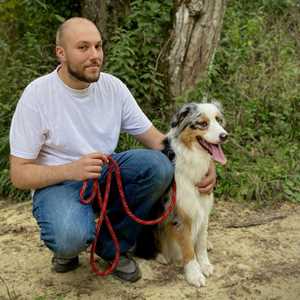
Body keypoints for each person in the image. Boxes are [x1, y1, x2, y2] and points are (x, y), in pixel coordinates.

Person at [9, 17, 216, 282]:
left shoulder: (113, 87)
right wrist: (72, 170)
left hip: (108, 175)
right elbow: (19, 174)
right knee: (70, 237)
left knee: (158, 166)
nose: (95, 55)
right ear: (61, 53)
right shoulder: (37, 96)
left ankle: (112, 247)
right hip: (58, 184)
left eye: (98, 46)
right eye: (83, 47)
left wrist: (205, 165)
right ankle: (68, 246)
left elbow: (159, 141)